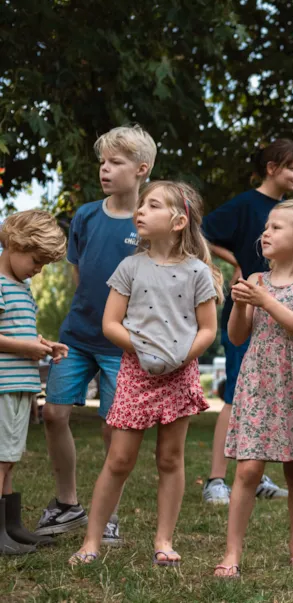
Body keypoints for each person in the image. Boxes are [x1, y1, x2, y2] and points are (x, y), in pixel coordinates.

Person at [68, 182, 221, 565]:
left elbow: (207, 329)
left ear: (178, 220)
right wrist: (145, 350)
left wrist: (181, 357)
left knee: (171, 458)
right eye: (141, 205)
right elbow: (111, 323)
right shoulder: (130, 267)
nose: (140, 211)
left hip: (180, 374)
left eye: (152, 205)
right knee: (119, 459)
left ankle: (164, 541)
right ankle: (91, 541)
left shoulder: (198, 272)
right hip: (137, 373)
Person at [38, 125, 154, 544]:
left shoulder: (149, 223)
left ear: (141, 170)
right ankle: (68, 505)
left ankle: (108, 515)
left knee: (113, 429)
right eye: (103, 162)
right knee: (53, 414)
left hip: (121, 346)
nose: (105, 170)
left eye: (116, 163)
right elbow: (79, 271)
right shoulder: (85, 215)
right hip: (76, 336)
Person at [214, 201, 293, 577]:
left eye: (277, 227)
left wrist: (265, 301)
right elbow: (236, 338)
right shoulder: (256, 279)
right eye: (266, 226)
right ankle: (232, 553)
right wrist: (239, 305)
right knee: (247, 470)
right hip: (258, 384)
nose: (266, 232)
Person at [201, 140, 293, 505]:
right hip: (247, 308)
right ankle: (215, 480)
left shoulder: (288, 212)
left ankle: (255, 476)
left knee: (267, 396)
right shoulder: (246, 204)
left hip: (278, 312)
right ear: (272, 167)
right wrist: (236, 263)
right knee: (235, 393)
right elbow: (202, 232)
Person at [0, 211, 69, 555]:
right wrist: (24, 346)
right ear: (14, 244)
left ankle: (10, 526)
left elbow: (18, 331)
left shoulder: (21, 287)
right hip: (2, 386)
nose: (38, 269)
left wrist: (41, 345)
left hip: (18, 386)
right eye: (36, 260)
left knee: (8, 458)